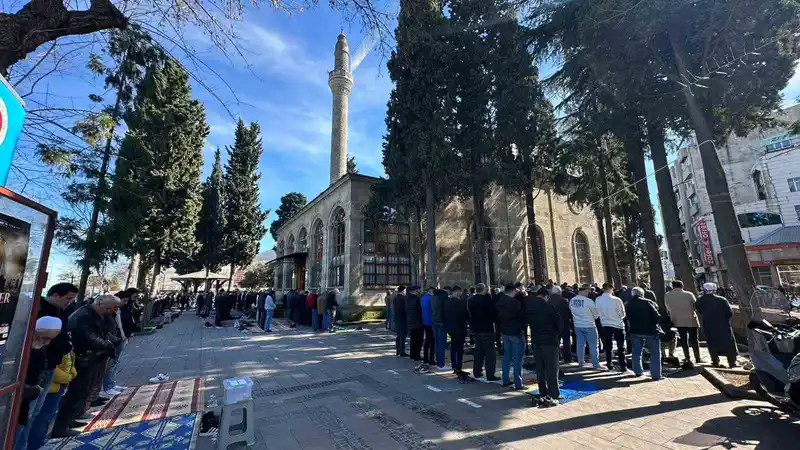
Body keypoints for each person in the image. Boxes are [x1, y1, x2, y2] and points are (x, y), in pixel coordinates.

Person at [52, 295, 121, 438]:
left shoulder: (100, 314)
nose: (112, 311)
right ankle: (61, 426)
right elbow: (89, 337)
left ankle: (72, 418)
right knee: (75, 392)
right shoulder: (84, 315)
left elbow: (106, 332)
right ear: (102, 305)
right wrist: (108, 344)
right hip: (82, 357)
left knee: (84, 389)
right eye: (111, 308)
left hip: (93, 356)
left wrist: (112, 342)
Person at [23, 283, 77, 449]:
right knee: (28, 413)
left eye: (72, 299)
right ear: (55, 295)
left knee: (37, 412)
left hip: (50, 365)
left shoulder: (60, 311)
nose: (70, 302)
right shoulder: (39, 310)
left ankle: (33, 443)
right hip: (37, 368)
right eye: (68, 298)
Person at [14, 317, 64, 450]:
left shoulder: (39, 347)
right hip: (17, 395)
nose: (47, 342)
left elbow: (42, 367)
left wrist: (37, 387)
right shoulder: (19, 346)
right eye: (45, 338)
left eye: (50, 339)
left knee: (24, 422)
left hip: (27, 394)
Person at [527, 286, 563, 406]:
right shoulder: (548, 307)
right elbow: (558, 323)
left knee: (540, 368)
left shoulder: (530, 306)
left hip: (536, 340)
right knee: (552, 368)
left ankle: (543, 392)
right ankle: (553, 393)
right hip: (549, 340)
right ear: (546, 296)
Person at [696, 282, 739, 368]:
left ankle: (715, 361)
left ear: (704, 290)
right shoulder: (722, 300)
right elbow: (729, 312)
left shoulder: (700, 300)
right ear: (714, 290)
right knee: (728, 343)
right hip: (723, 324)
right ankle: (732, 362)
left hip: (708, 325)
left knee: (712, 343)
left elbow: (699, 310)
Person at [626, 287, 662, 380]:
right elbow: (657, 316)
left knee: (636, 351)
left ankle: (638, 371)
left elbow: (626, 318)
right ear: (642, 294)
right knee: (655, 353)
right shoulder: (648, 302)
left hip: (635, 331)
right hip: (650, 331)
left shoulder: (628, 304)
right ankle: (656, 375)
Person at [665, 280, 703, 366]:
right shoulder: (689, 294)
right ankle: (697, 358)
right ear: (682, 286)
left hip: (677, 320)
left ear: (673, 286)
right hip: (691, 319)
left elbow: (668, 307)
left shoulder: (667, 295)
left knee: (683, 339)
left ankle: (687, 357)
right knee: (694, 339)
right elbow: (695, 306)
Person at [496, 284, 526, 389]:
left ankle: (505, 379)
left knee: (507, 357)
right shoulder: (515, 303)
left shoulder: (500, 301)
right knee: (518, 358)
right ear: (513, 291)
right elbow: (523, 316)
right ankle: (518, 382)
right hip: (515, 332)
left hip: (505, 332)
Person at [468, 283, 497, 380]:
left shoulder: (471, 300)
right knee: (489, 353)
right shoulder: (486, 299)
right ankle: (490, 374)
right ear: (484, 290)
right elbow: (492, 312)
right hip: (487, 328)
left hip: (476, 328)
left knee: (478, 351)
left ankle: (477, 371)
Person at [596, 283, 627, 372]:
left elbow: (597, 313)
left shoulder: (598, 299)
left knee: (608, 346)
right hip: (617, 324)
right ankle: (623, 365)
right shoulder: (617, 300)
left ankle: (609, 363)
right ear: (611, 289)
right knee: (620, 346)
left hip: (605, 324)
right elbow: (622, 313)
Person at [570, 284, 601, 369]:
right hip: (589, 325)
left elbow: (571, 311)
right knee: (593, 345)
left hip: (577, 325)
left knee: (580, 344)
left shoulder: (572, 300)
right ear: (585, 291)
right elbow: (596, 314)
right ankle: (596, 364)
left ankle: (581, 362)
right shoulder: (588, 301)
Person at [444, 285, 468, 377]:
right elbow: (465, 315)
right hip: (460, 327)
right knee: (459, 349)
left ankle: (454, 365)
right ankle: (458, 367)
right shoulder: (460, 302)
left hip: (450, 328)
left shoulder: (446, 302)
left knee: (453, 347)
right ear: (457, 292)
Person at [548, 286, 572, 363]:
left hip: (553, 324)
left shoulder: (548, 301)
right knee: (566, 341)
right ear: (559, 292)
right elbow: (569, 312)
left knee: (556, 341)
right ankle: (567, 358)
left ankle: (557, 357)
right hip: (565, 323)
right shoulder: (564, 300)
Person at [431, 288, 450, 371]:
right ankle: (441, 364)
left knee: (438, 344)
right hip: (441, 323)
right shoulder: (441, 301)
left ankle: (439, 362)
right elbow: (444, 312)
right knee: (441, 344)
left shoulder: (433, 299)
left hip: (435, 323)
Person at [406, 285, 424, 363]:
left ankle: (412, 354)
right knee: (418, 340)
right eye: (417, 290)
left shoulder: (407, 298)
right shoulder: (417, 299)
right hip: (418, 322)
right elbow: (420, 311)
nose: (418, 292)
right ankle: (416, 355)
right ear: (413, 291)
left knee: (413, 339)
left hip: (411, 321)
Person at [420, 287, 436, 368]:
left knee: (427, 340)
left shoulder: (422, 298)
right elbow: (433, 310)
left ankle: (426, 358)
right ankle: (431, 359)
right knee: (432, 341)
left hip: (424, 320)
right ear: (431, 291)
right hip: (431, 321)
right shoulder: (431, 299)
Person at [393, 286, 408, 356]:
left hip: (397, 318)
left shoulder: (395, 298)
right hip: (403, 319)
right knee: (402, 335)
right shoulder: (404, 299)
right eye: (405, 290)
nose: (405, 292)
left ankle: (398, 350)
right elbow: (405, 309)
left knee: (398, 335)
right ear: (402, 291)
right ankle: (402, 351)